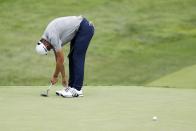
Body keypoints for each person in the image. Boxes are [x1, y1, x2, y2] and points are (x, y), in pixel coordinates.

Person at [35, 16, 95, 98]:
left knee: (77, 57)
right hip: (79, 30)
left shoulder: (52, 37)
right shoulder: (47, 39)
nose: (50, 49)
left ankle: (77, 89)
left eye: (48, 48)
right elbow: (59, 60)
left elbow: (60, 59)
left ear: (45, 44)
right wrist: (63, 77)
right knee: (72, 57)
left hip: (85, 28)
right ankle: (70, 87)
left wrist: (55, 76)